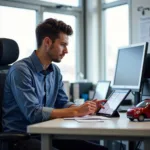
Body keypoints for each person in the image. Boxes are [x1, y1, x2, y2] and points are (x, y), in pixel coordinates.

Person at [2, 18, 108, 150]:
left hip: (46, 134)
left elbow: (62, 102)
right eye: (63, 44)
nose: (66, 51)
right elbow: (34, 113)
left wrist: (87, 108)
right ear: (47, 42)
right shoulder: (20, 70)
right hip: (22, 138)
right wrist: (76, 111)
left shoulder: (55, 71)